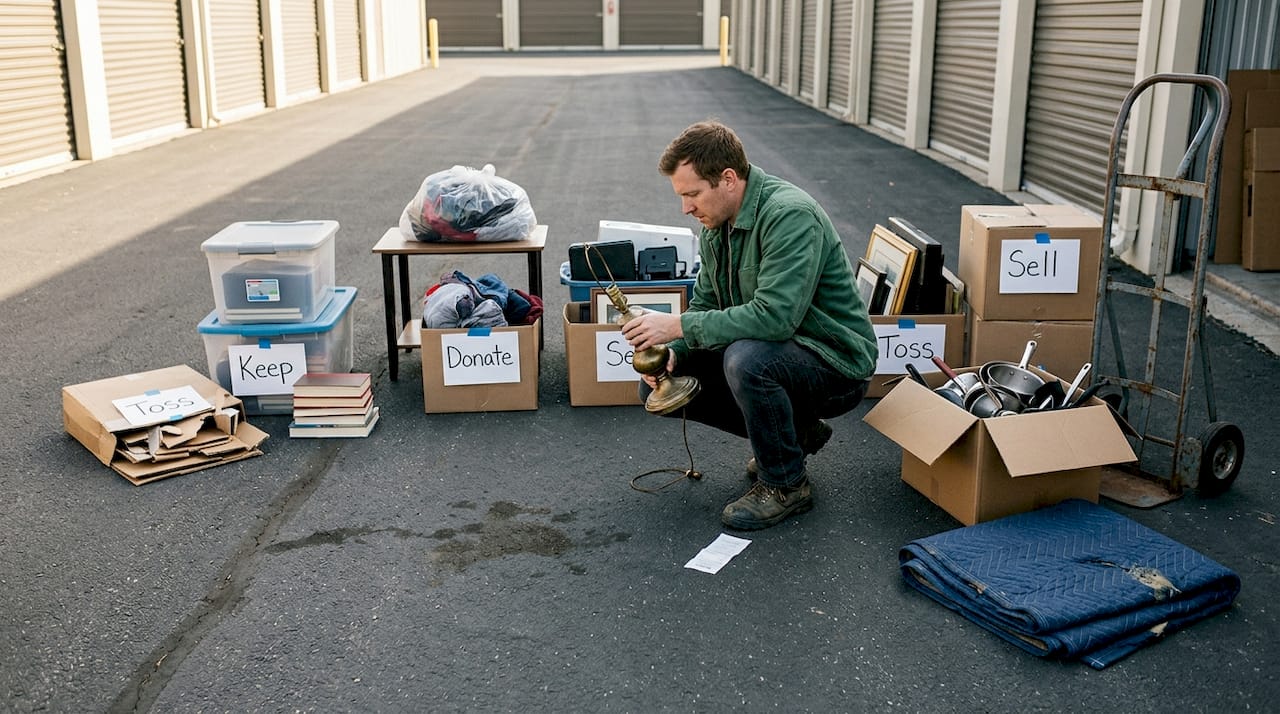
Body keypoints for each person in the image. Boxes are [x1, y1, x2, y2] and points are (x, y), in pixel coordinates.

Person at [621, 120, 879, 531]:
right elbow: (707, 304)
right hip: (783, 352)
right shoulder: (716, 225)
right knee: (663, 385)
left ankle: (786, 484)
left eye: (692, 194)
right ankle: (796, 434)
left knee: (748, 360)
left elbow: (775, 318)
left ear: (728, 179)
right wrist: (674, 354)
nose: (686, 208)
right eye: (681, 196)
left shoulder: (790, 215)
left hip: (837, 364)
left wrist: (678, 326)